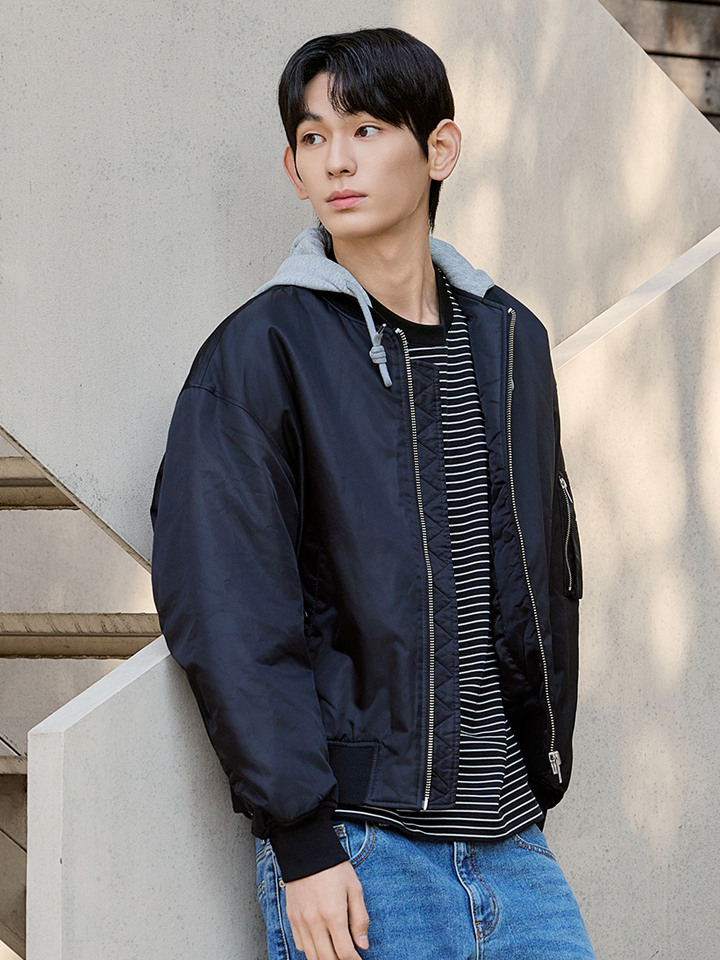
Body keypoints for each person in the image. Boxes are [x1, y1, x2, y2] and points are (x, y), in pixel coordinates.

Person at [150, 26, 594, 960]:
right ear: (292, 168)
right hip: (361, 850)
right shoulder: (261, 353)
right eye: (313, 138)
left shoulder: (513, 340)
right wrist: (302, 842)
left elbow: (540, 575)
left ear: (439, 148)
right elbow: (230, 605)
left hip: (515, 845)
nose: (336, 161)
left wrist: (540, 764)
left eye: (364, 129)